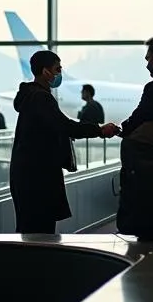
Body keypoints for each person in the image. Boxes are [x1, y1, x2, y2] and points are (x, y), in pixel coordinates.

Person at [10, 49, 116, 234]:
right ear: (45, 72)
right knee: (40, 230)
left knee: (28, 228)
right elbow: (65, 125)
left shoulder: (29, 97)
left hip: (26, 174)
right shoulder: (41, 98)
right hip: (38, 176)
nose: (59, 74)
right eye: (57, 69)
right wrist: (99, 130)